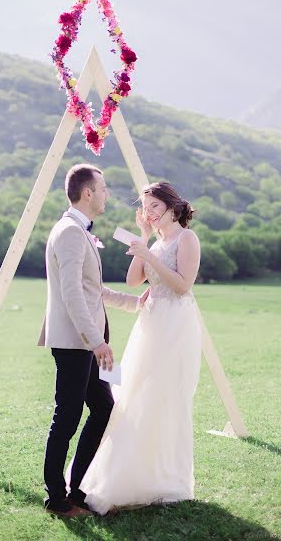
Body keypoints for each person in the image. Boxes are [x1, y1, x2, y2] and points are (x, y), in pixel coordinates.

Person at [80, 181, 202, 515]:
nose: (148, 213)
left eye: (154, 208)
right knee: (133, 392)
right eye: (145, 208)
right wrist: (145, 242)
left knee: (165, 395)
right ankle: (132, 475)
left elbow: (182, 286)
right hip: (149, 323)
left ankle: (167, 478)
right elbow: (134, 282)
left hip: (175, 324)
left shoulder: (186, 239)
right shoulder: (156, 240)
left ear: (172, 209)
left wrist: (150, 256)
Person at [40, 163, 148, 517]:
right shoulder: (70, 231)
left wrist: (134, 303)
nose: (106, 195)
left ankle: (78, 490)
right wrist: (95, 341)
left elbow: (92, 289)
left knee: (104, 407)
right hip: (77, 343)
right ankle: (57, 499)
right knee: (67, 417)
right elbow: (71, 293)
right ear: (88, 193)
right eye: (103, 189)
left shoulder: (80, 231)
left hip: (90, 341)